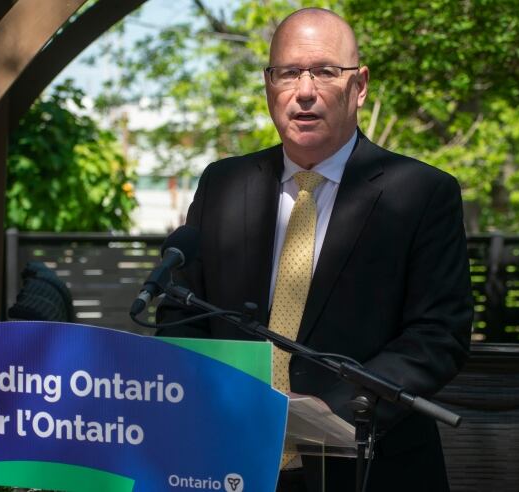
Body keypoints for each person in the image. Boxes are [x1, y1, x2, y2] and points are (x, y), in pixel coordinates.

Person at [157, 7, 473, 492]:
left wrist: (335, 406)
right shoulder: (222, 185)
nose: (304, 91)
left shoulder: (422, 193)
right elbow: (180, 313)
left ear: (359, 86)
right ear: (268, 85)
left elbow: (439, 333)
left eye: (325, 71)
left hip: (367, 465)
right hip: (232, 461)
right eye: (288, 73)